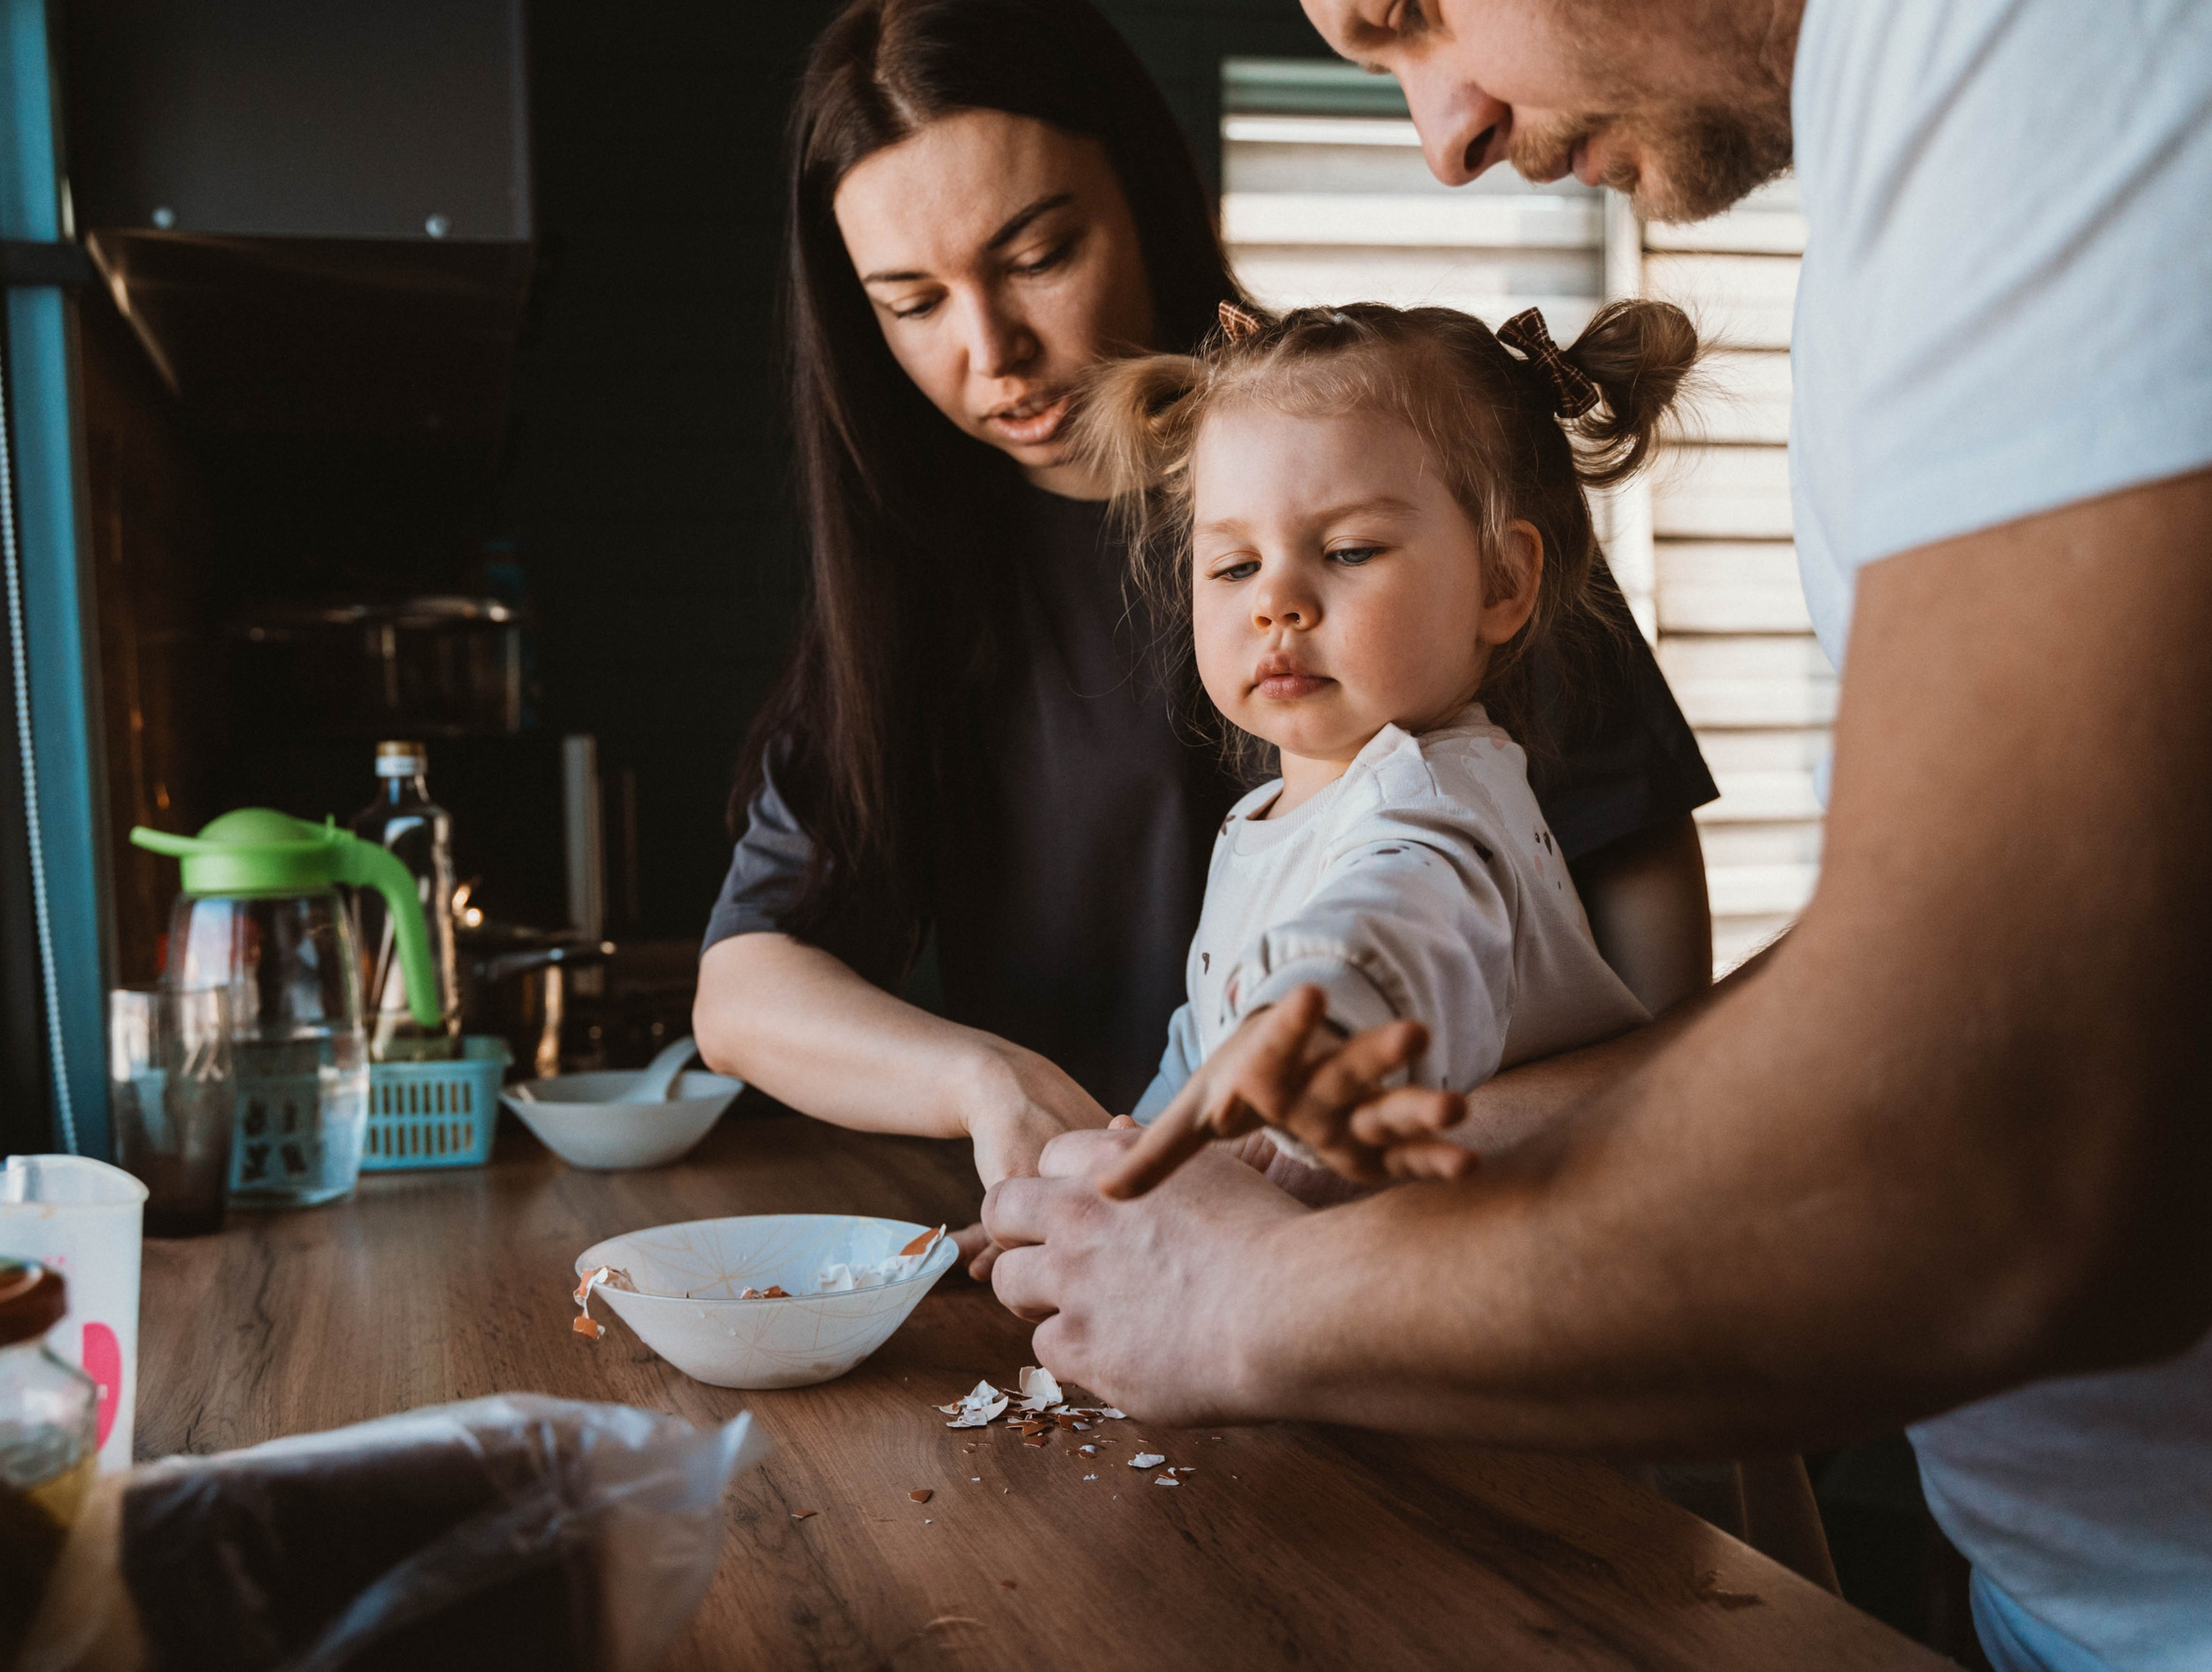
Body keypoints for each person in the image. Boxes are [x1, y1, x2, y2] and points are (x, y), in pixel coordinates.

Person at [980, 3, 2212, 1669]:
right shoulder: (1905, 175)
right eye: (1231, 564)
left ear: (1506, 581)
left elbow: (2027, 1116)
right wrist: (1174, 1170)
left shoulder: (2059, 47)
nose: (1439, 132)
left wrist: (1230, 1297)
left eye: (1409, 8)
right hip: (2077, 1589)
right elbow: (1956, 959)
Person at [692, 0, 1720, 1212]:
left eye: (1036, 259)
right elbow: (743, 987)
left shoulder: (1407, 472)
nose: (993, 349)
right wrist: (993, 1088)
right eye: (913, 304)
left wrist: (1314, 1124)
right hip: (1135, 1237)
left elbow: (1630, 1016)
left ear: (1143, 196)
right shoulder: (920, 580)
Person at [1063, 299, 1699, 1191]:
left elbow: (1404, 921)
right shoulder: (1265, 816)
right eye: (1235, 565)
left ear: (1504, 579)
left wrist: (1318, 1025)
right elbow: (1209, 1042)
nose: (1274, 601)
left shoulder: (1440, 803)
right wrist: (1121, 1173)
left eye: (1351, 550)